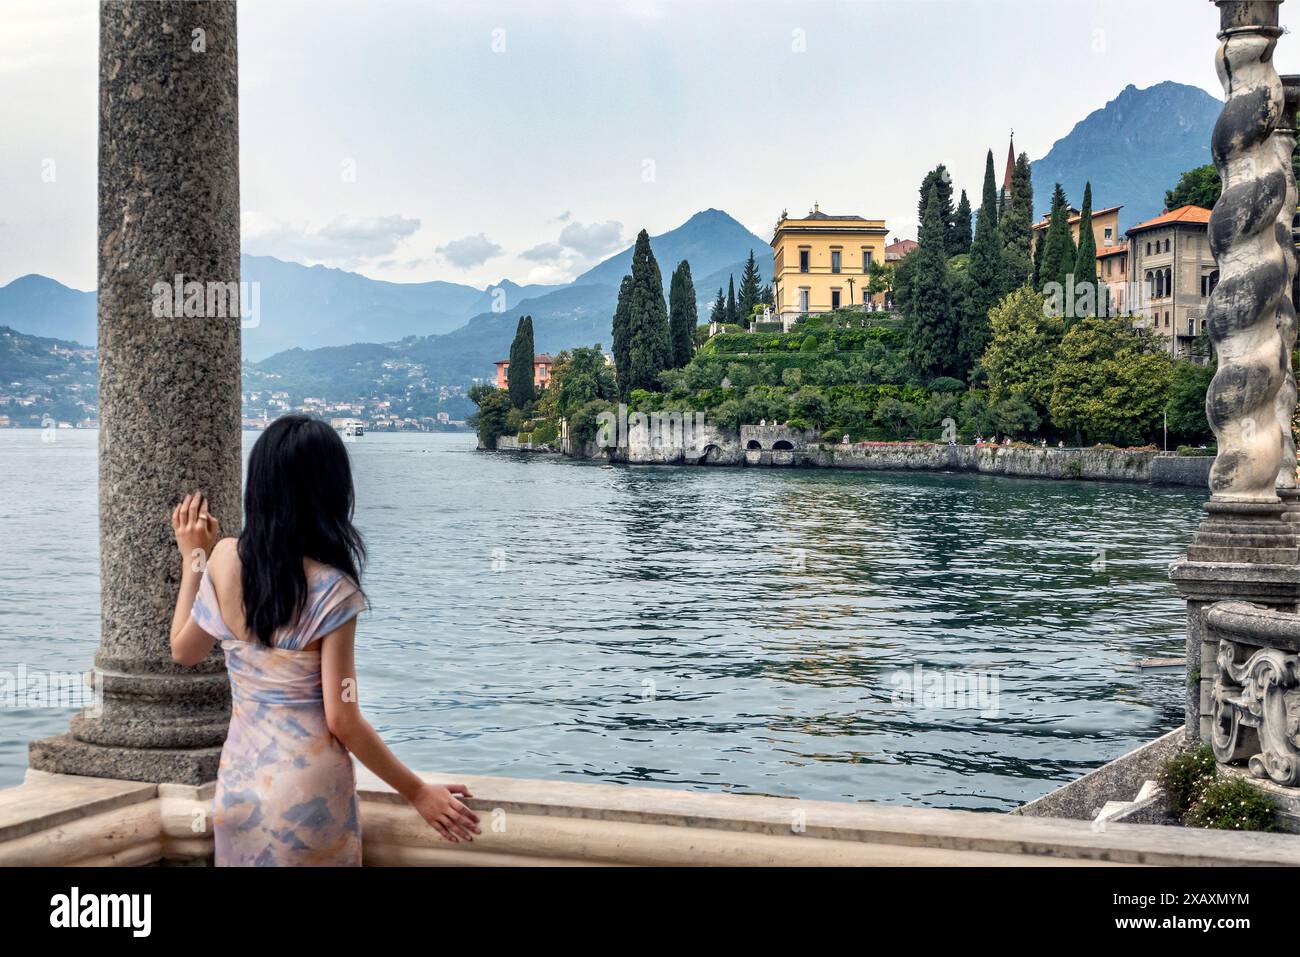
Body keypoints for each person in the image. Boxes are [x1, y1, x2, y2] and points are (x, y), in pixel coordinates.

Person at [168, 415, 480, 865]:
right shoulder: (334, 589)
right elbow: (342, 718)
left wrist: (193, 558)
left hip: (241, 786)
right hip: (308, 798)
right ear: (332, 491)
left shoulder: (220, 558)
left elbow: (184, 650)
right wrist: (418, 792)